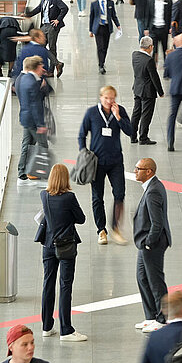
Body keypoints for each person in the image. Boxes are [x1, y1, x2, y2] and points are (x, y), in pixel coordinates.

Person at [78, 85, 133, 244]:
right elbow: (82, 134)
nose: (109, 101)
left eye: (112, 98)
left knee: (119, 194)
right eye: (106, 98)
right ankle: (101, 230)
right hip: (97, 162)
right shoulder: (92, 113)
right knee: (97, 197)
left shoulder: (120, 111)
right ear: (101, 98)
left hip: (116, 160)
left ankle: (116, 228)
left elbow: (130, 132)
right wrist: (84, 152)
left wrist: (118, 118)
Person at [38, 164, 87, 342]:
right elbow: (81, 219)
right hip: (66, 246)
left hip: (48, 245)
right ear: (65, 178)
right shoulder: (69, 198)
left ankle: (46, 326)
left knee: (48, 284)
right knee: (65, 286)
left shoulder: (44, 195)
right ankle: (66, 329)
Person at [132, 158, 172, 332]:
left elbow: (157, 223)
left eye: (138, 168)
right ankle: (151, 316)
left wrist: (149, 242)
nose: (135, 171)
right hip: (145, 244)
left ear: (148, 171)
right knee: (142, 278)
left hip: (152, 244)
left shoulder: (153, 191)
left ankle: (161, 319)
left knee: (156, 282)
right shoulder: (152, 187)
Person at [15, 56, 47, 183]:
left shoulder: (20, 79)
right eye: (41, 66)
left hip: (25, 118)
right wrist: (40, 124)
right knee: (43, 145)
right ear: (36, 67)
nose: (43, 69)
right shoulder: (32, 82)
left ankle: (22, 171)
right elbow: (35, 104)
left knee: (27, 144)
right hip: (33, 120)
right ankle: (36, 173)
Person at [25, 0, 67, 77]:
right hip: (44, 26)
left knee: (52, 48)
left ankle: (51, 71)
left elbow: (65, 8)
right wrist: (27, 15)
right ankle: (57, 63)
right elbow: (38, 9)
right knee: (40, 45)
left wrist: (58, 20)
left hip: (52, 26)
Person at [131, 36, 164, 145]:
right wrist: (160, 92)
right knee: (146, 114)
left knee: (136, 112)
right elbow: (154, 77)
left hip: (137, 88)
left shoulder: (134, 55)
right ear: (150, 47)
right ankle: (143, 137)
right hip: (147, 91)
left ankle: (132, 135)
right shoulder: (149, 60)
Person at [88, 0, 120, 74]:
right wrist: (91, 30)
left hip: (107, 27)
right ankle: (101, 65)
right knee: (100, 47)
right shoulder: (94, 4)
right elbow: (92, 17)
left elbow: (113, 15)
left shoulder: (110, 3)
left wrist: (118, 25)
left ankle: (103, 61)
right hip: (98, 27)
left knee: (105, 46)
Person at [148, 0, 172, 64]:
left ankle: (167, 67)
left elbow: (170, 15)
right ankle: (154, 67)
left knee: (165, 48)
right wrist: (146, 28)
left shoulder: (168, 1)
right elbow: (148, 15)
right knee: (154, 50)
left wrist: (170, 27)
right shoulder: (150, 2)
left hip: (164, 29)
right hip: (153, 28)